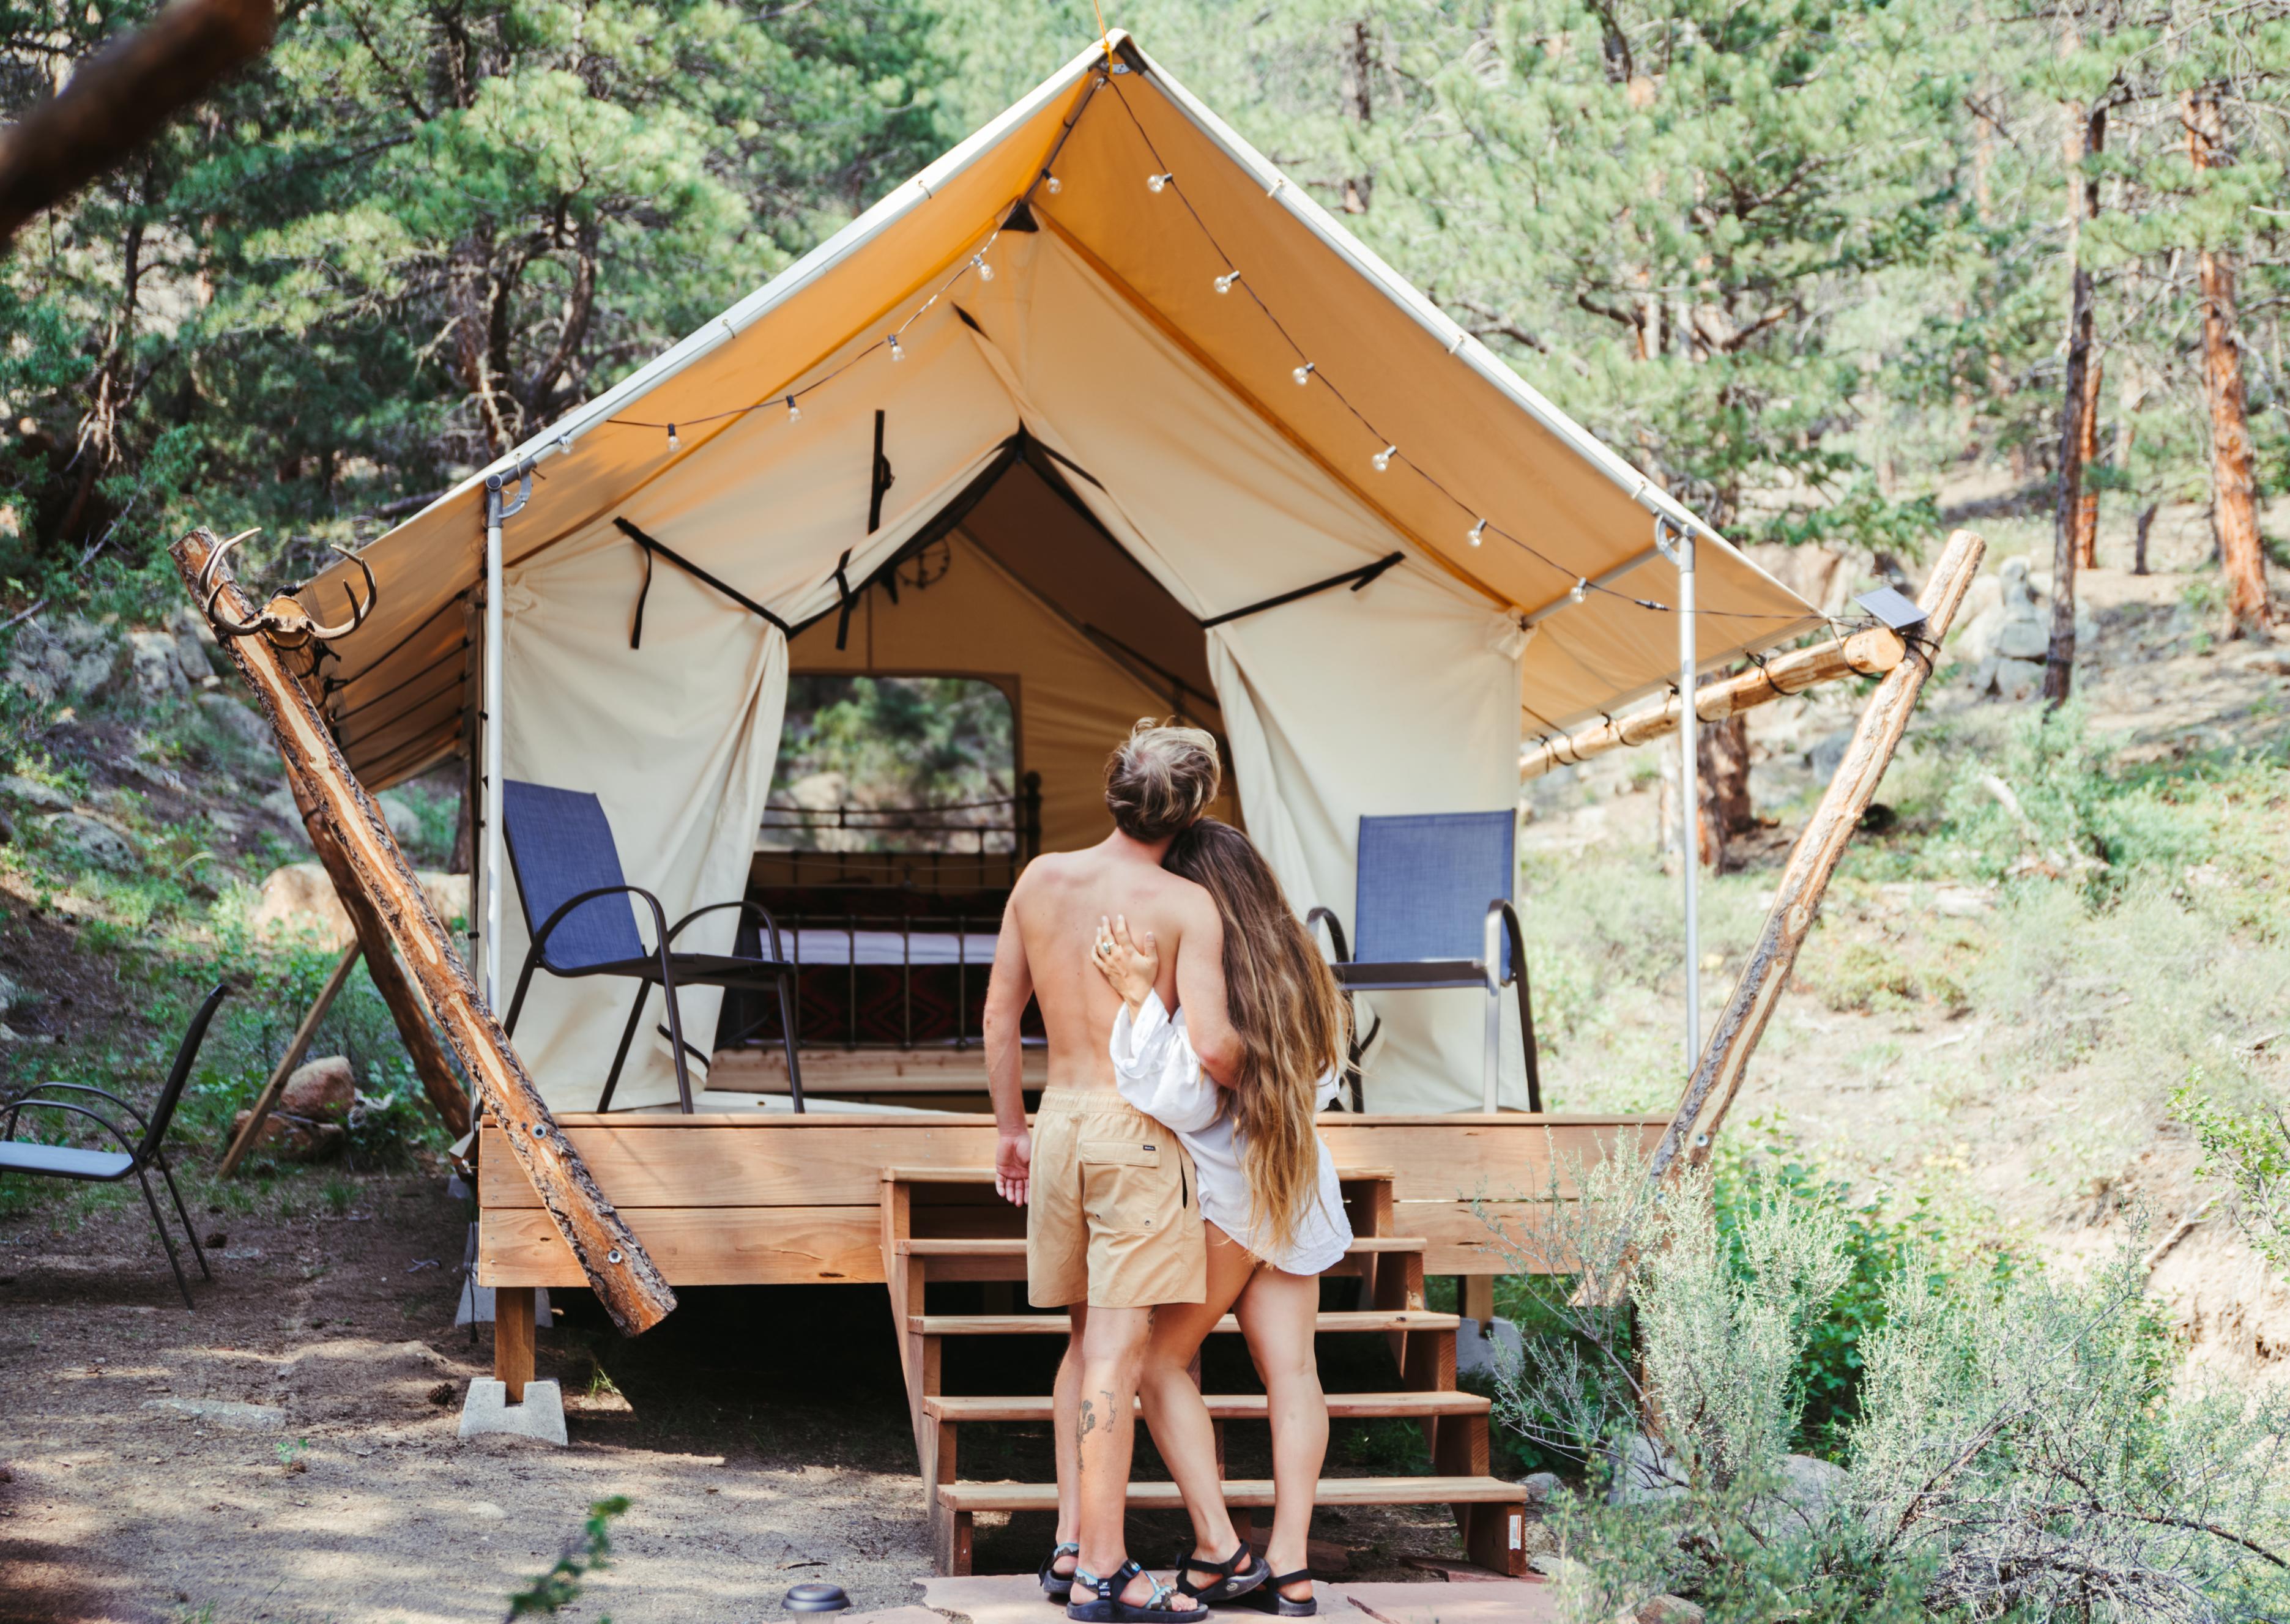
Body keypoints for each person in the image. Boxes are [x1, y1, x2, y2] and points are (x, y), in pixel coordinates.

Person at [983, 719, 1243, 1622]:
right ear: (1194, 810)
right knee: (1118, 1354)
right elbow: (1212, 1047)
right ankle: (1104, 1570)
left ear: (1113, 792)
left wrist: (1011, 1130)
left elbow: (999, 1017)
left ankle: (1069, 1542)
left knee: (1082, 1343)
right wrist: (1273, 1067)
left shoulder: (1040, 879)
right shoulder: (1185, 906)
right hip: (1134, 1137)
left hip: (1058, 1121)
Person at [1090, 817, 1353, 1618]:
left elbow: (1187, 1095)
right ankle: (1291, 1569)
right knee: (1295, 1376)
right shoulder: (1302, 967)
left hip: (1236, 1196)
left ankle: (1219, 1545)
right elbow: (1323, 1080)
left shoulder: (1210, 971)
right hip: (1298, 1184)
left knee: (1155, 1365)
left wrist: (1139, 1000)